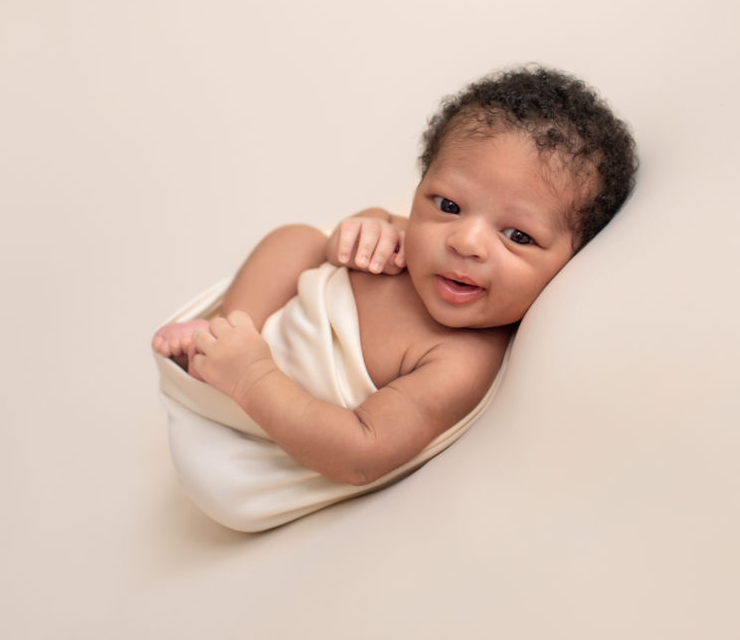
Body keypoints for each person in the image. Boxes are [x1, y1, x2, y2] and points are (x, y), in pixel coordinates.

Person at [152, 64, 637, 489]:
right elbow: (336, 250)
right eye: (448, 205)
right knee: (297, 237)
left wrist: (253, 377)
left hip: (262, 423)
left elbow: (362, 452)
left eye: (517, 235)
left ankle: (228, 354)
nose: (465, 241)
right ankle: (228, 325)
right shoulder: (410, 241)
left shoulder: (463, 358)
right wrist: (358, 230)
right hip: (249, 344)